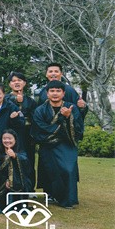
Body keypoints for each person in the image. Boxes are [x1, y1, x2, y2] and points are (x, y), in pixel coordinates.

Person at [32, 80, 84, 208]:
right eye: (52, 91)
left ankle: (68, 199)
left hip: (67, 144)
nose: (55, 93)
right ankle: (53, 195)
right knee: (52, 172)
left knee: (68, 169)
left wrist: (68, 117)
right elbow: (39, 129)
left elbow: (78, 128)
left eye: (58, 91)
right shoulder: (40, 110)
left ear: (63, 93)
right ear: (47, 93)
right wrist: (61, 123)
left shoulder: (72, 108)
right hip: (48, 145)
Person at [6, 71, 37, 188]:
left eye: (19, 80)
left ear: (24, 83)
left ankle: (29, 188)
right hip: (10, 135)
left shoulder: (31, 101)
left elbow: (35, 119)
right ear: (10, 84)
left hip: (26, 136)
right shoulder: (5, 99)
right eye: (14, 81)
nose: (17, 83)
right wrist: (16, 102)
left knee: (28, 161)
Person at [0, 129, 33, 208]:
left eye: (10, 138)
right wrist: (5, 181)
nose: (7, 141)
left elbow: (26, 168)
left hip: (18, 183)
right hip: (2, 184)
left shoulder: (21, 152)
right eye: (4, 138)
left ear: (15, 139)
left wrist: (15, 156)